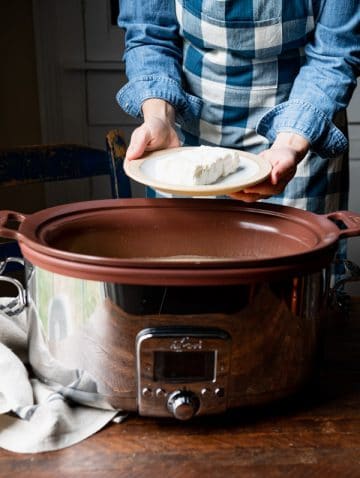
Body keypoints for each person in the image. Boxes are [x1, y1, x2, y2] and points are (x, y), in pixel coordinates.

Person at [116, 1, 359, 281]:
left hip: (302, 133)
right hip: (185, 141)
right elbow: (150, 33)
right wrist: (159, 115)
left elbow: (334, 55)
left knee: (292, 294)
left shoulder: (297, 138)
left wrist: (290, 143)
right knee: (184, 288)